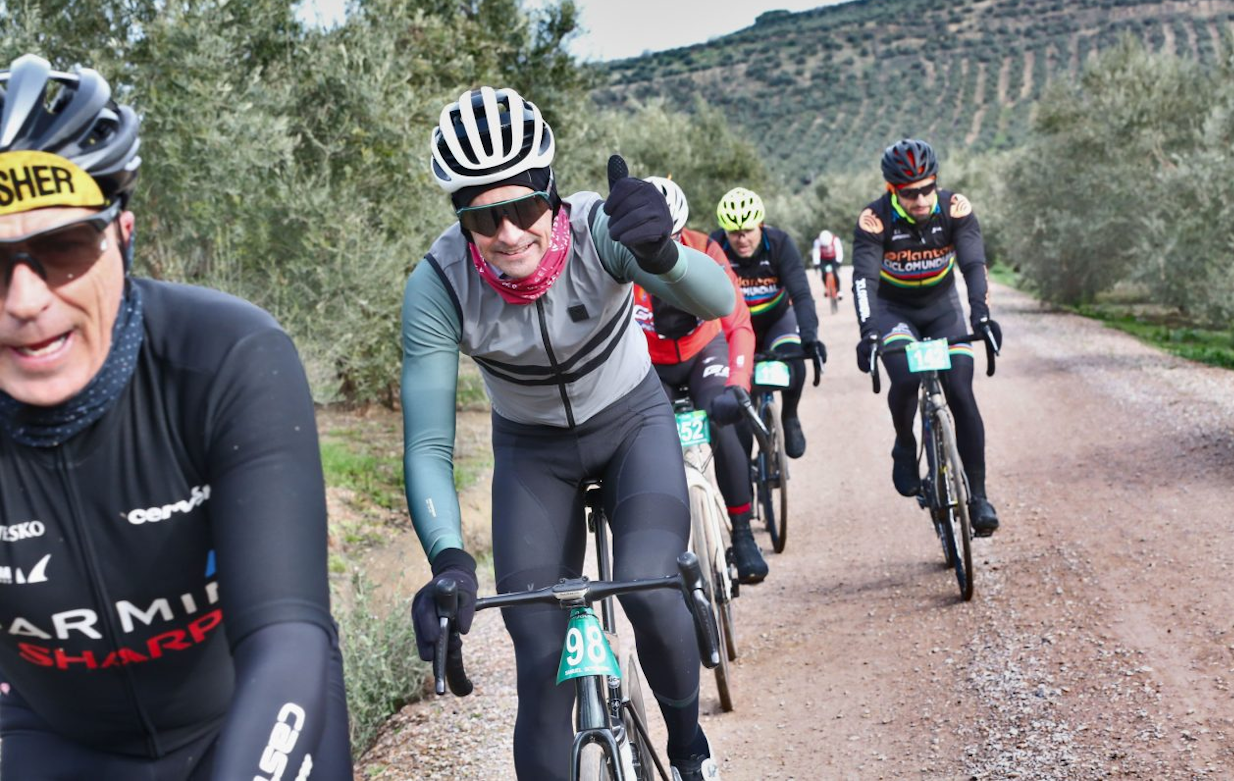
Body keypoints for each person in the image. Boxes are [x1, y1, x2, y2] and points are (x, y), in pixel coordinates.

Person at [0, 55, 351, 779]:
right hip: (54, 739)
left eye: (64, 247)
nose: (26, 300)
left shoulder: (227, 357)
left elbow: (286, 635)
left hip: (248, 709)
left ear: (122, 235)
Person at [402, 86, 735, 781]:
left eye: (523, 207)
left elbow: (718, 300)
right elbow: (429, 445)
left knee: (648, 585)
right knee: (539, 656)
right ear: (461, 220)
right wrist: (448, 559)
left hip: (631, 426)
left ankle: (687, 747)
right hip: (532, 456)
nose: (509, 232)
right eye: (483, 217)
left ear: (552, 196)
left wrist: (665, 256)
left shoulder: (601, 230)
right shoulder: (439, 284)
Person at [850, 138, 1002, 535]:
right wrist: (868, 332)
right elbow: (864, 280)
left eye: (926, 188)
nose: (919, 199)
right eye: (909, 192)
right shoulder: (875, 220)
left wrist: (981, 315)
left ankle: (979, 496)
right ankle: (904, 444)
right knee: (905, 376)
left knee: (961, 391)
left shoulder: (955, 210)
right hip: (893, 311)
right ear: (892, 191)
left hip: (942, 309)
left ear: (936, 182)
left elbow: (973, 264)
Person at [631, 176, 768, 583]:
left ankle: (743, 536)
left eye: (671, 236)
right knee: (646, 444)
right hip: (651, 360)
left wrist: (738, 384)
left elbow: (739, 321)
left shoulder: (706, 248)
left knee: (722, 420)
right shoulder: (618, 260)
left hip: (703, 352)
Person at [709, 187, 825, 459]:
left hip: (776, 321)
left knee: (794, 361)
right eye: (734, 232)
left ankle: (790, 415)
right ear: (724, 231)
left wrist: (810, 336)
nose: (741, 239)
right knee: (734, 391)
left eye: (748, 230)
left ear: (760, 224)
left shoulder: (780, 243)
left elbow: (801, 294)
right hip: (734, 327)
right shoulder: (715, 247)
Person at [811, 229, 843, 303]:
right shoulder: (817, 241)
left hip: (833, 258)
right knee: (823, 274)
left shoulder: (835, 239)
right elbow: (816, 252)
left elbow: (839, 250)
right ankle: (827, 288)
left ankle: (838, 291)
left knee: (835, 273)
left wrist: (839, 261)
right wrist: (816, 264)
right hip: (823, 259)